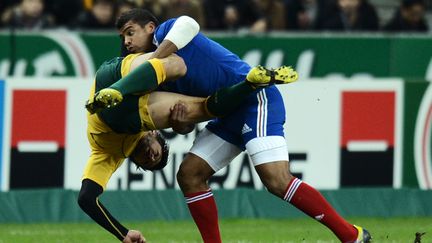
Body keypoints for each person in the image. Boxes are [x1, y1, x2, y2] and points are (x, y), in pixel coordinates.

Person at [107, 8, 371, 243]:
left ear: (150, 28)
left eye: (130, 33)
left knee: (276, 180)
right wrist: (180, 124)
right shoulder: (158, 79)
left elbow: (189, 23)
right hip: (227, 115)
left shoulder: (168, 31)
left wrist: (152, 61)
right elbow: (186, 126)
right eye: (122, 38)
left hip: (255, 97)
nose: (127, 41)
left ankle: (352, 236)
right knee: (189, 175)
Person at [78, 49, 295, 242]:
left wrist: (123, 234)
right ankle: (249, 84)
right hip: (124, 91)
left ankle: (118, 89)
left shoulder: (106, 152)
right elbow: (86, 199)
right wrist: (184, 124)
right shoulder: (131, 140)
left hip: (112, 91)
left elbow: (86, 199)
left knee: (182, 76)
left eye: (150, 160)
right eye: (155, 158)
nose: (151, 158)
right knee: (194, 93)